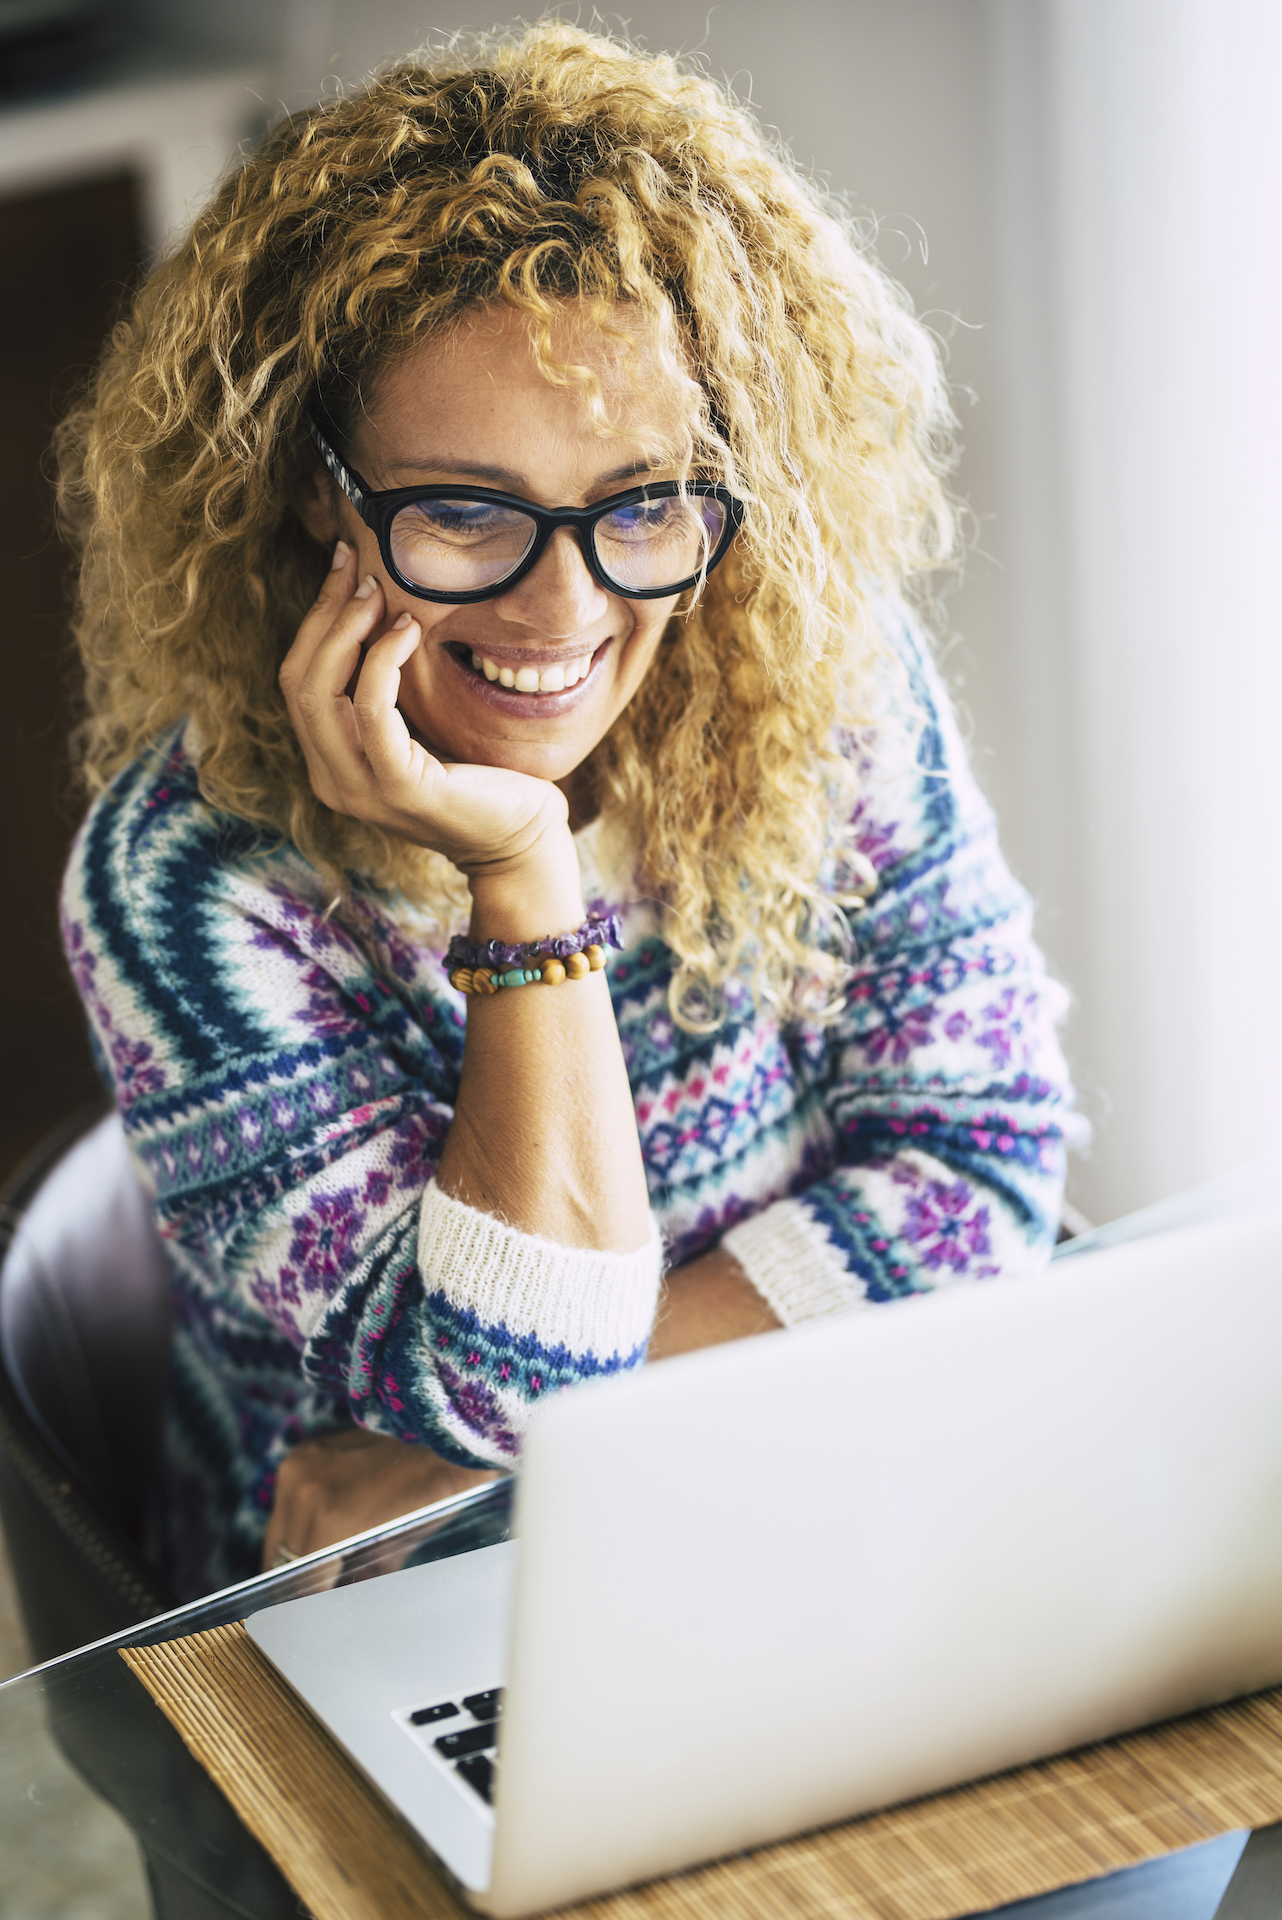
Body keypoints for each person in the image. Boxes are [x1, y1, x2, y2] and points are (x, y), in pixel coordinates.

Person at [56, 20, 1081, 1601]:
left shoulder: (817, 678)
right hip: (407, 1591)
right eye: (464, 509)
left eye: (640, 501)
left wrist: (489, 1439)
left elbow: (984, 1166)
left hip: (782, 1469)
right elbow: (519, 1383)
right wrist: (522, 870)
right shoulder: (184, 885)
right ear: (315, 487)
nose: (561, 606)